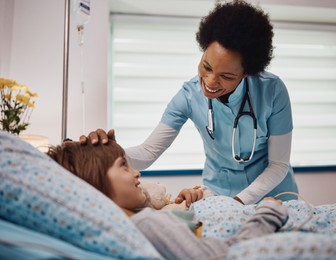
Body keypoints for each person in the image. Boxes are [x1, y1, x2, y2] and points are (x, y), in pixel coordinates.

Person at [81, 0, 298, 205]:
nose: (211, 82)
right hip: (219, 194)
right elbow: (148, 153)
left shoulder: (272, 91)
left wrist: (239, 203)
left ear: (247, 73)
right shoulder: (188, 96)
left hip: (275, 197)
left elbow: (278, 164)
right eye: (207, 66)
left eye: (227, 76)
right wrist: (105, 151)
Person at [46, 139, 288, 259]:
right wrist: (267, 214)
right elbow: (216, 259)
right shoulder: (147, 224)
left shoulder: (142, 220)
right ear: (95, 184)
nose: (136, 172)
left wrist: (181, 204)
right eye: (123, 166)